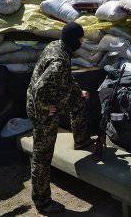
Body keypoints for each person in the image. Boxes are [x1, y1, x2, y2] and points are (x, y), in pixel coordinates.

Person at [26, 22, 91, 214]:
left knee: (78, 103)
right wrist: (47, 108)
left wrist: (78, 93)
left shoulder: (57, 47)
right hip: (42, 111)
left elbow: (65, 78)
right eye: (81, 38)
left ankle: (80, 141)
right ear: (74, 40)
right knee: (42, 157)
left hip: (50, 100)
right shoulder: (59, 62)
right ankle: (42, 201)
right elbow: (39, 89)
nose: (82, 42)